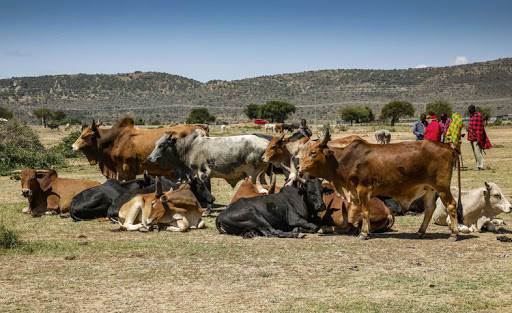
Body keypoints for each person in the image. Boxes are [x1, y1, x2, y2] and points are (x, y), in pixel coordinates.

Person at [467, 105, 492, 170]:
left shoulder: (477, 116)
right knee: (475, 152)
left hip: (477, 137)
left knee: (478, 152)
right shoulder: (471, 116)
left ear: (473, 109)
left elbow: (479, 128)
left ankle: (481, 165)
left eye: (470, 109)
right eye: (469, 110)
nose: (469, 111)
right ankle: (478, 165)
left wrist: (479, 138)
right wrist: (468, 129)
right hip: (472, 137)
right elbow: (472, 126)